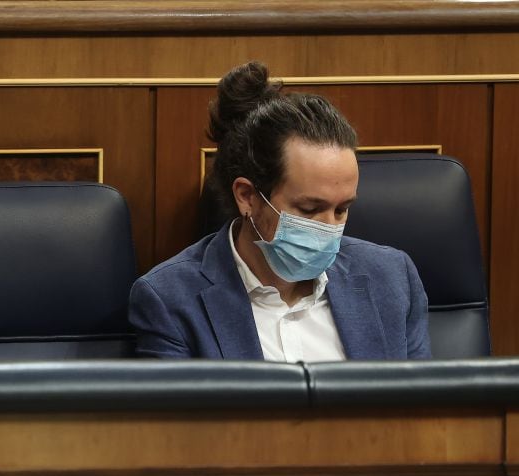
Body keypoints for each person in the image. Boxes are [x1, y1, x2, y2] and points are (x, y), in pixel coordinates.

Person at [129, 61, 430, 361]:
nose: (329, 229)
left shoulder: (392, 279)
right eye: (310, 209)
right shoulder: (170, 300)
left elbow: (422, 406)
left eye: (342, 210)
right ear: (247, 197)